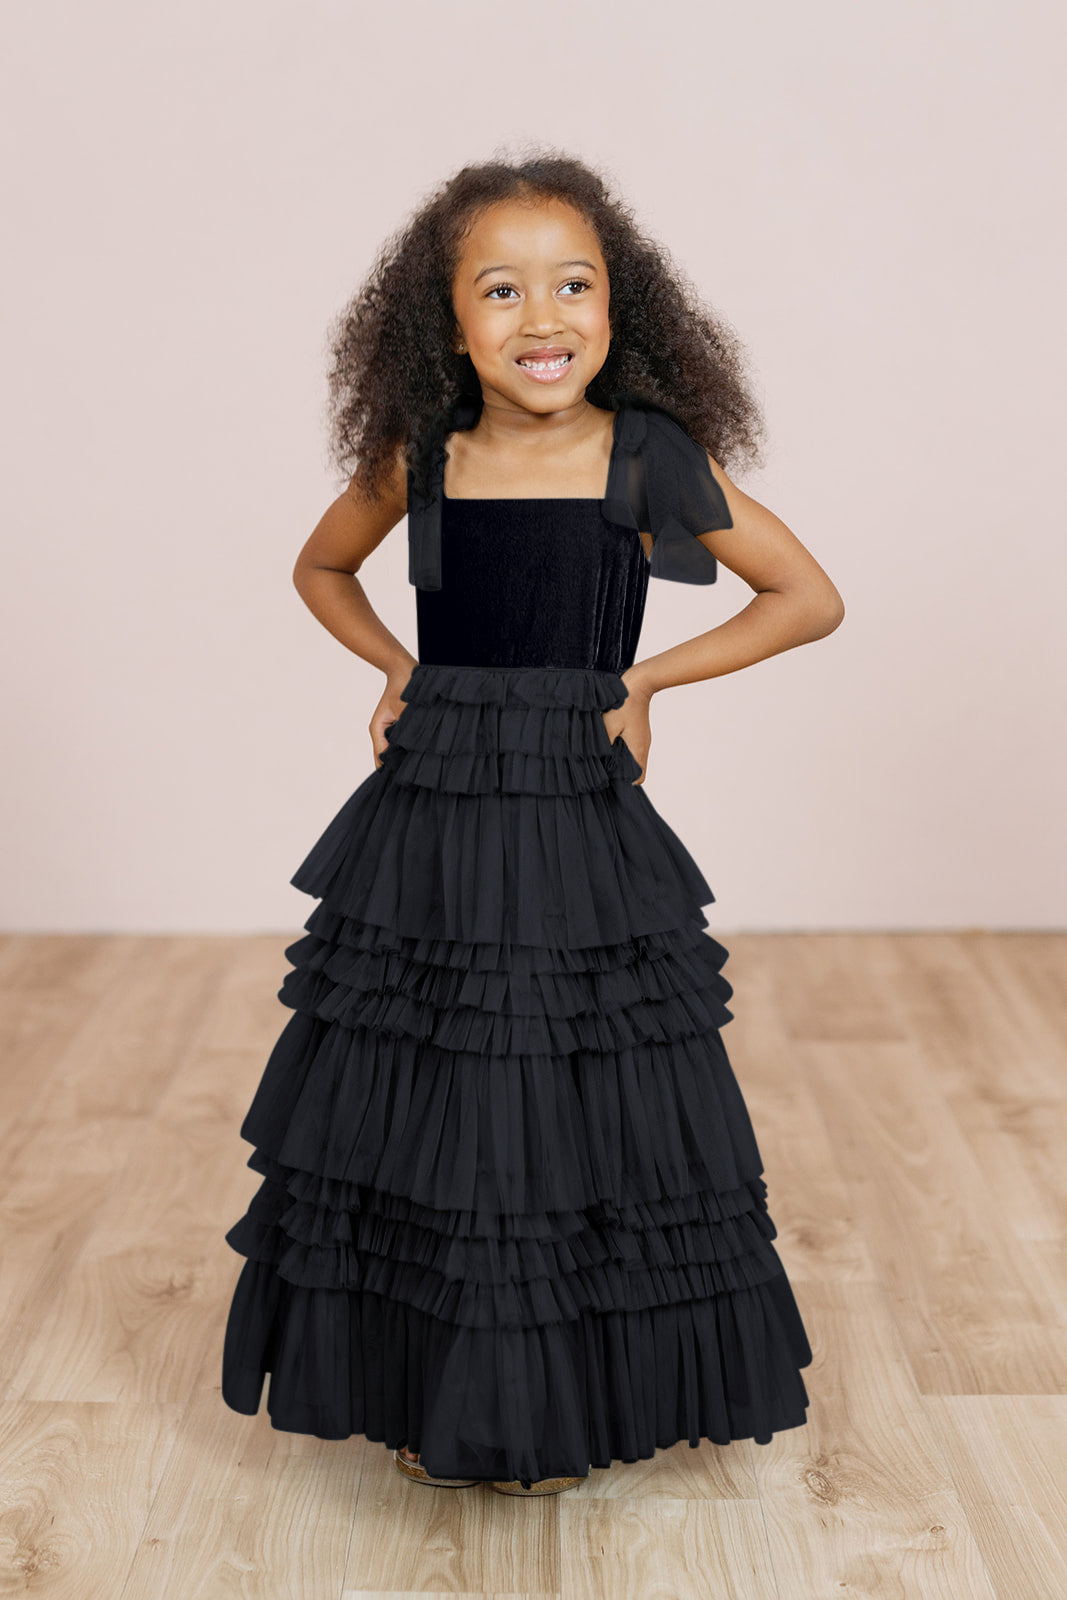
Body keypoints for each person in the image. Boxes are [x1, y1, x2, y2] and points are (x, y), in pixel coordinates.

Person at [220, 149, 845, 1497]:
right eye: (500, 290)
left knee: (566, 1087)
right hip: (436, 802)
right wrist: (397, 666)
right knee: (433, 1082)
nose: (542, 316)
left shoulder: (647, 455)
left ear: (621, 308)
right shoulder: (423, 455)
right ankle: (433, 1387)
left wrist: (646, 681)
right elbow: (321, 566)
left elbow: (807, 597)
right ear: (444, 322)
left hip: (573, 803)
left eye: (575, 284)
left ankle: (552, 1404)